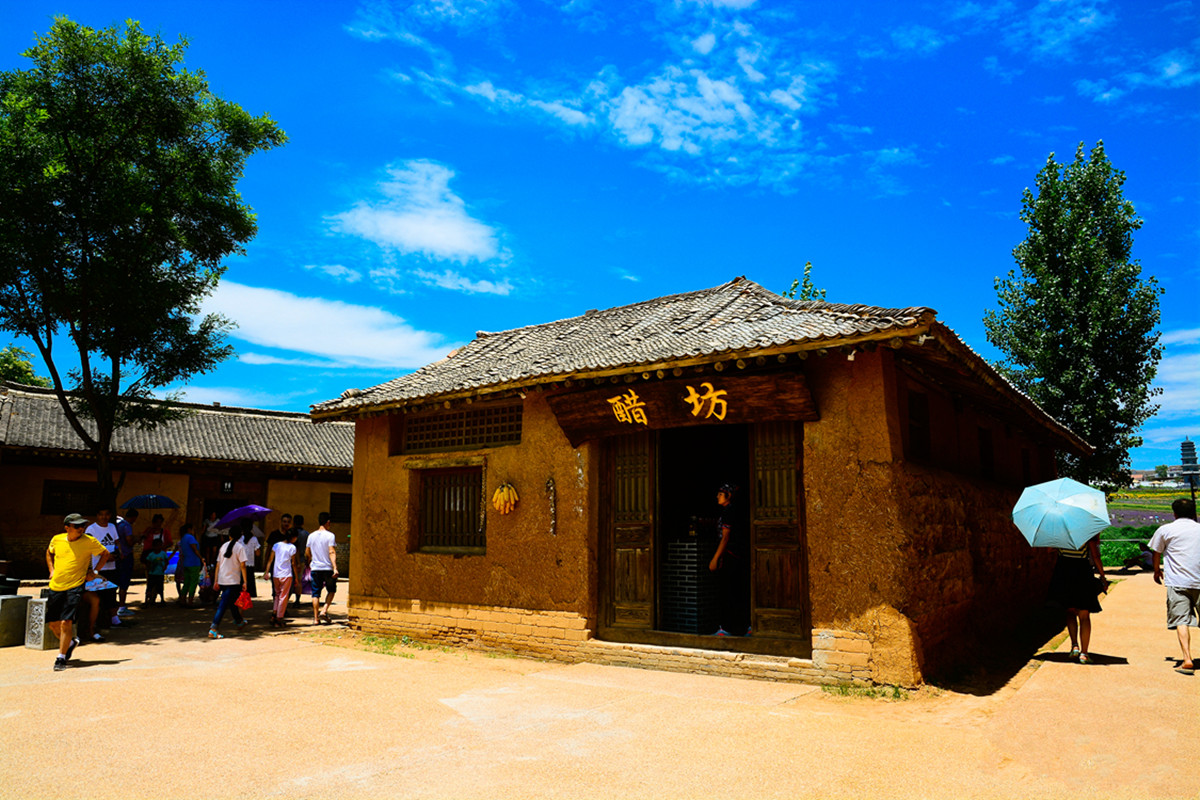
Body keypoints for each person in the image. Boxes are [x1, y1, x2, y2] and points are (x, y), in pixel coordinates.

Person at [45, 514, 109, 671]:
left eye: (83, 526)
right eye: (77, 526)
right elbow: (49, 552)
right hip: (56, 586)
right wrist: (51, 570)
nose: (81, 528)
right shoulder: (57, 539)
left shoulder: (89, 541)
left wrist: (94, 571)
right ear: (67, 528)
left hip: (75, 586)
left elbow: (105, 554)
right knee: (53, 625)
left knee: (66, 622)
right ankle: (71, 643)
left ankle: (61, 658)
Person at [1148, 498, 1200, 675]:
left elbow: (1156, 552)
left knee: (1181, 620)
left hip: (1178, 582)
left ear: (1174, 513)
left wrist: (1156, 571)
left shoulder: (1165, 530)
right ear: (1194, 513)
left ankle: (1187, 659)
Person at [1048, 535, 1109, 664]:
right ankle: (1084, 653)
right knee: (1084, 614)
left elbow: (1049, 550)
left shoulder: (1059, 534)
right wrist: (1102, 576)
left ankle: (1074, 645)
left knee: (1070, 611)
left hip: (1064, 572)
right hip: (1082, 572)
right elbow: (1096, 556)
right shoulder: (1086, 534)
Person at [708, 484, 750, 637]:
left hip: (731, 555)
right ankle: (743, 626)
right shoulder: (732, 511)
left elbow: (725, 537)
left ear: (728, 496)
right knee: (737, 590)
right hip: (735, 554)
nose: (717, 497)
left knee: (729, 591)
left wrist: (715, 558)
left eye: (720, 494)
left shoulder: (729, 511)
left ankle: (727, 627)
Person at [85, 508, 124, 630]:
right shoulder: (91, 529)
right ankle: (98, 621)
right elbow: (89, 547)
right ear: (97, 515)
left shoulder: (112, 527)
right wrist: (105, 557)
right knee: (99, 594)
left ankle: (114, 619)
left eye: (107, 514)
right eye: (101, 514)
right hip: (98, 567)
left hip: (112, 566)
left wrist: (119, 553)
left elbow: (116, 541)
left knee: (112, 592)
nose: (104, 517)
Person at [208, 531, 248, 639]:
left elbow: (217, 564)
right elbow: (243, 565)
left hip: (223, 579)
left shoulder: (223, 546)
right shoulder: (240, 547)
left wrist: (216, 580)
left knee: (231, 602)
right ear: (240, 537)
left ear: (229, 536)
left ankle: (239, 621)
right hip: (233, 580)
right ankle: (213, 628)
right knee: (223, 605)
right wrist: (245, 581)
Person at [305, 512, 338, 625]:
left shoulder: (311, 536)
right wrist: (335, 568)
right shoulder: (330, 535)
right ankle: (324, 610)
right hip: (327, 568)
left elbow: (307, 552)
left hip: (315, 568)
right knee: (331, 590)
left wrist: (310, 561)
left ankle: (315, 618)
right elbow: (331, 551)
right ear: (328, 522)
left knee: (315, 593)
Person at [263, 529, 299, 627]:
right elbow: (293, 563)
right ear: (293, 537)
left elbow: (270, 560)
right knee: (283, 596)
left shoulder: (276, 545)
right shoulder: (292, 547)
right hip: (286, 574)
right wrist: (296, 577)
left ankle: (274, 613)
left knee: (277, 595)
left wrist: (267, 572)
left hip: (276, 574)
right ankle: (279, 617)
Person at [112, 508, 138, 616]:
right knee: (124, 582)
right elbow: (129, 541)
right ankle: (122, 606)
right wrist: (136, 539)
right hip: (125, 556)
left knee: (116, 581)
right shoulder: (127, 526)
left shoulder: (116, 524)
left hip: (116, 556)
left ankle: (115, 605)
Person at [176, 523, 206, 607]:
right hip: (193, 562)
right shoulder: (190, 537)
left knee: (187, 582)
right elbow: (195, 550)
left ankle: (182, 599)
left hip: (186, 562)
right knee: (193, 582)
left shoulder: (183, 539)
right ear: (189, 529)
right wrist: (201, 558)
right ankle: (190, 601)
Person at [265, 513, 292, 604]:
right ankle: (276, 608)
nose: (286, 524)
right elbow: (268, 549)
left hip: (288, 567)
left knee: (289, 589)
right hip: (275, 566)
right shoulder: (274, 534)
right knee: (275, 589)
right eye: (284, 521)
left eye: (288, 522)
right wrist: (266, 566)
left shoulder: (291, 535)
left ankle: (282, 607)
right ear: (281, 522)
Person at [291, 514, 310, 607]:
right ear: (303, 523)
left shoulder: (291, 533)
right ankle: (297, 599)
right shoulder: (307, 534)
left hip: (291, 559)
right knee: (299, 580)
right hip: (302, 560)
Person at [144, 539, 168, 605]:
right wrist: (148, 570)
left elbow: (166, 561)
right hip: (152, 574)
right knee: (149, 587)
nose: (158, 547)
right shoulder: (151, 555)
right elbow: (148, 563)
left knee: (160, 588)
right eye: (156, 546)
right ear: (153, 547)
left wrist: (165, 567)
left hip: (160, 574)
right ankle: (146, 600)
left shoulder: (163, 553)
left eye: (159, 546)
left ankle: (162, 600)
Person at [242, 521, 262, 598]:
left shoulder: (240, 538)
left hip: (240, 563)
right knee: (250, 579)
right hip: (250, 563)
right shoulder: (254, 539)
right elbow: (258, 553)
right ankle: (250, 593)